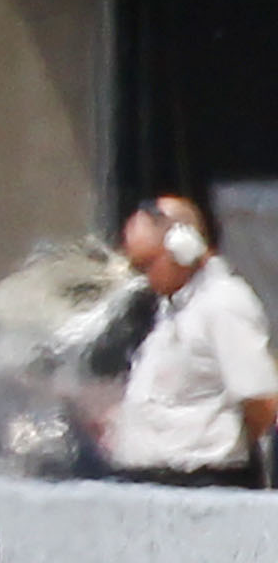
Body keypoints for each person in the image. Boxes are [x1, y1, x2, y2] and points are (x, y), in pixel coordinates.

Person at [96, 197, 278, 489]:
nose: (143, 278)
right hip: (157, 482)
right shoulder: (172, 309)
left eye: (147, 265)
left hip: (202, 482)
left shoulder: (223, 303)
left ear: (184, 247)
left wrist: (220, 448)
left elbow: (261, 401)